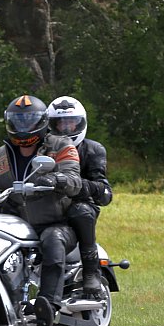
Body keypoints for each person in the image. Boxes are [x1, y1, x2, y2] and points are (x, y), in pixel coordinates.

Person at [0, 94, 82, 326]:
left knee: (53, 240)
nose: (22, 127)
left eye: (28, 121)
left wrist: (56, 179)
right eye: (17, 121)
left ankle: (48, 305)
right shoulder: (0, 154)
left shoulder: (62, 146)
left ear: (42, 122)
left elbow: (74, 180)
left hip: (55, 221)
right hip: (13, 222)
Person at [47, 96, 113, 300]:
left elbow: (104, 192)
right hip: (46, 204)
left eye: (71, 123)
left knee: (81, 212)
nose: (66, 129)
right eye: (61, 123)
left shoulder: (93, 149)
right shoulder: (44, 147)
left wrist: (72, 184)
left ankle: (90, 271)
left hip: (79, 204)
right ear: (51, 125)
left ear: (80, 123)